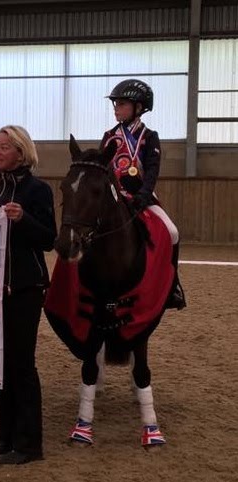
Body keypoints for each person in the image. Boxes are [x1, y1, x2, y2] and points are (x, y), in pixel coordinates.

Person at [0, 126, 56, 465]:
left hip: (25, 288)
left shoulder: (38, 190)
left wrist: (23, 220)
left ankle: (29, 444)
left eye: (4, 147)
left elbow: (49, 239)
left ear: (21, 152)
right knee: (0, 366)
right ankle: (4, 437)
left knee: (22, 365)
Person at [100, 78, 185, 310]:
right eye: (115, 104)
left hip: (141, 198)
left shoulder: (150, 137)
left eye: (122, 104)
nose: (116, 108)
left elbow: (152, 171)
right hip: (114, 198)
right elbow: (102, 170)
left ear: (138, 107)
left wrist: (143, 196)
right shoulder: (109, 136)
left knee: (172, 231)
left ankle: (173, 287)